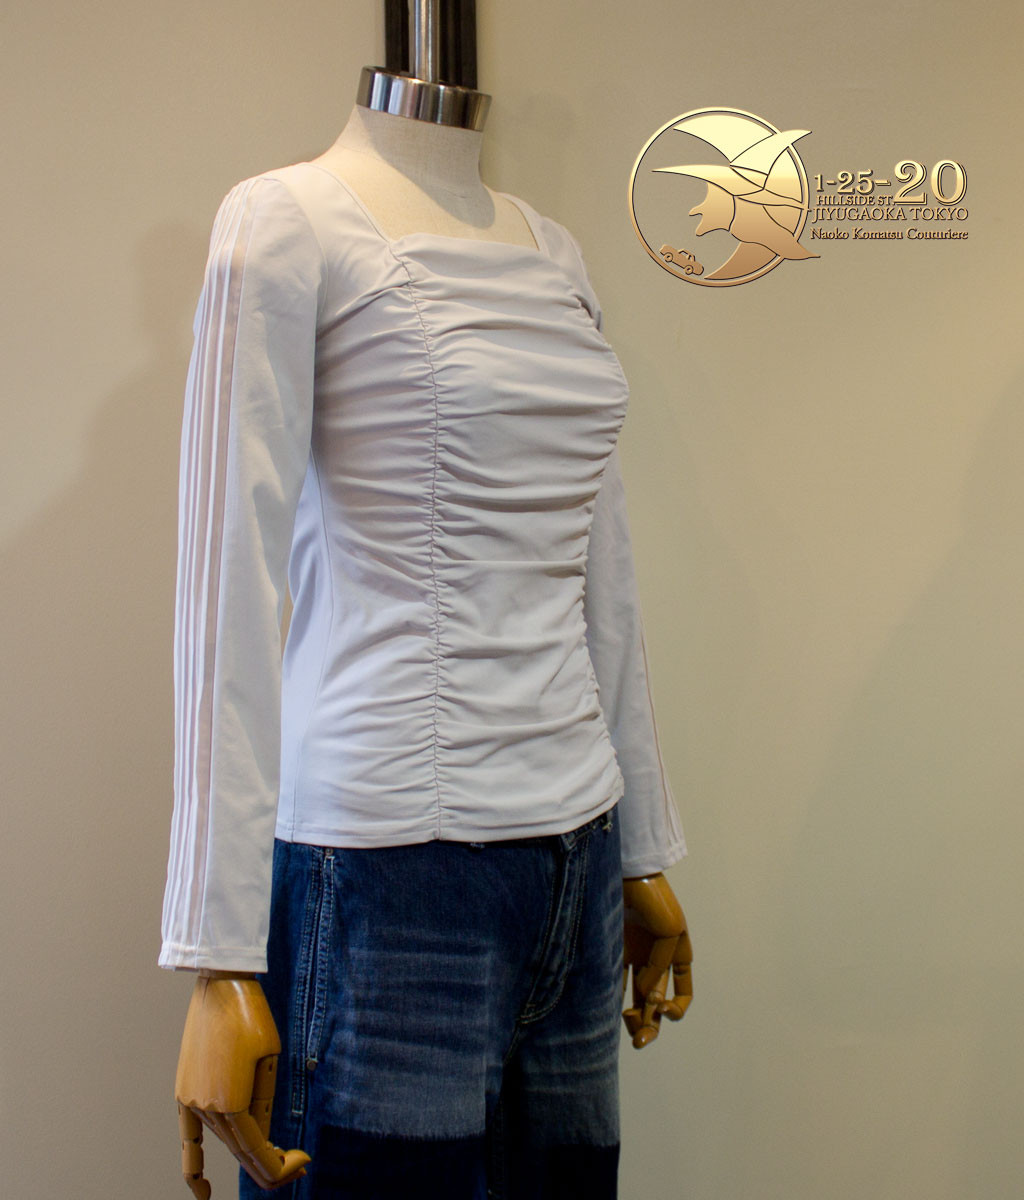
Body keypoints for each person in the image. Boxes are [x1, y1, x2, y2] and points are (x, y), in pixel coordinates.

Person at [163, 94, 692, 1200]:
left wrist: (641, 850)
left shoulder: (553, 250)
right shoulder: (285, 220)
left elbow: (602, 573)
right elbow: (227, 580)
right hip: (391, 873)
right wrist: (219, 953)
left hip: (579, 858)